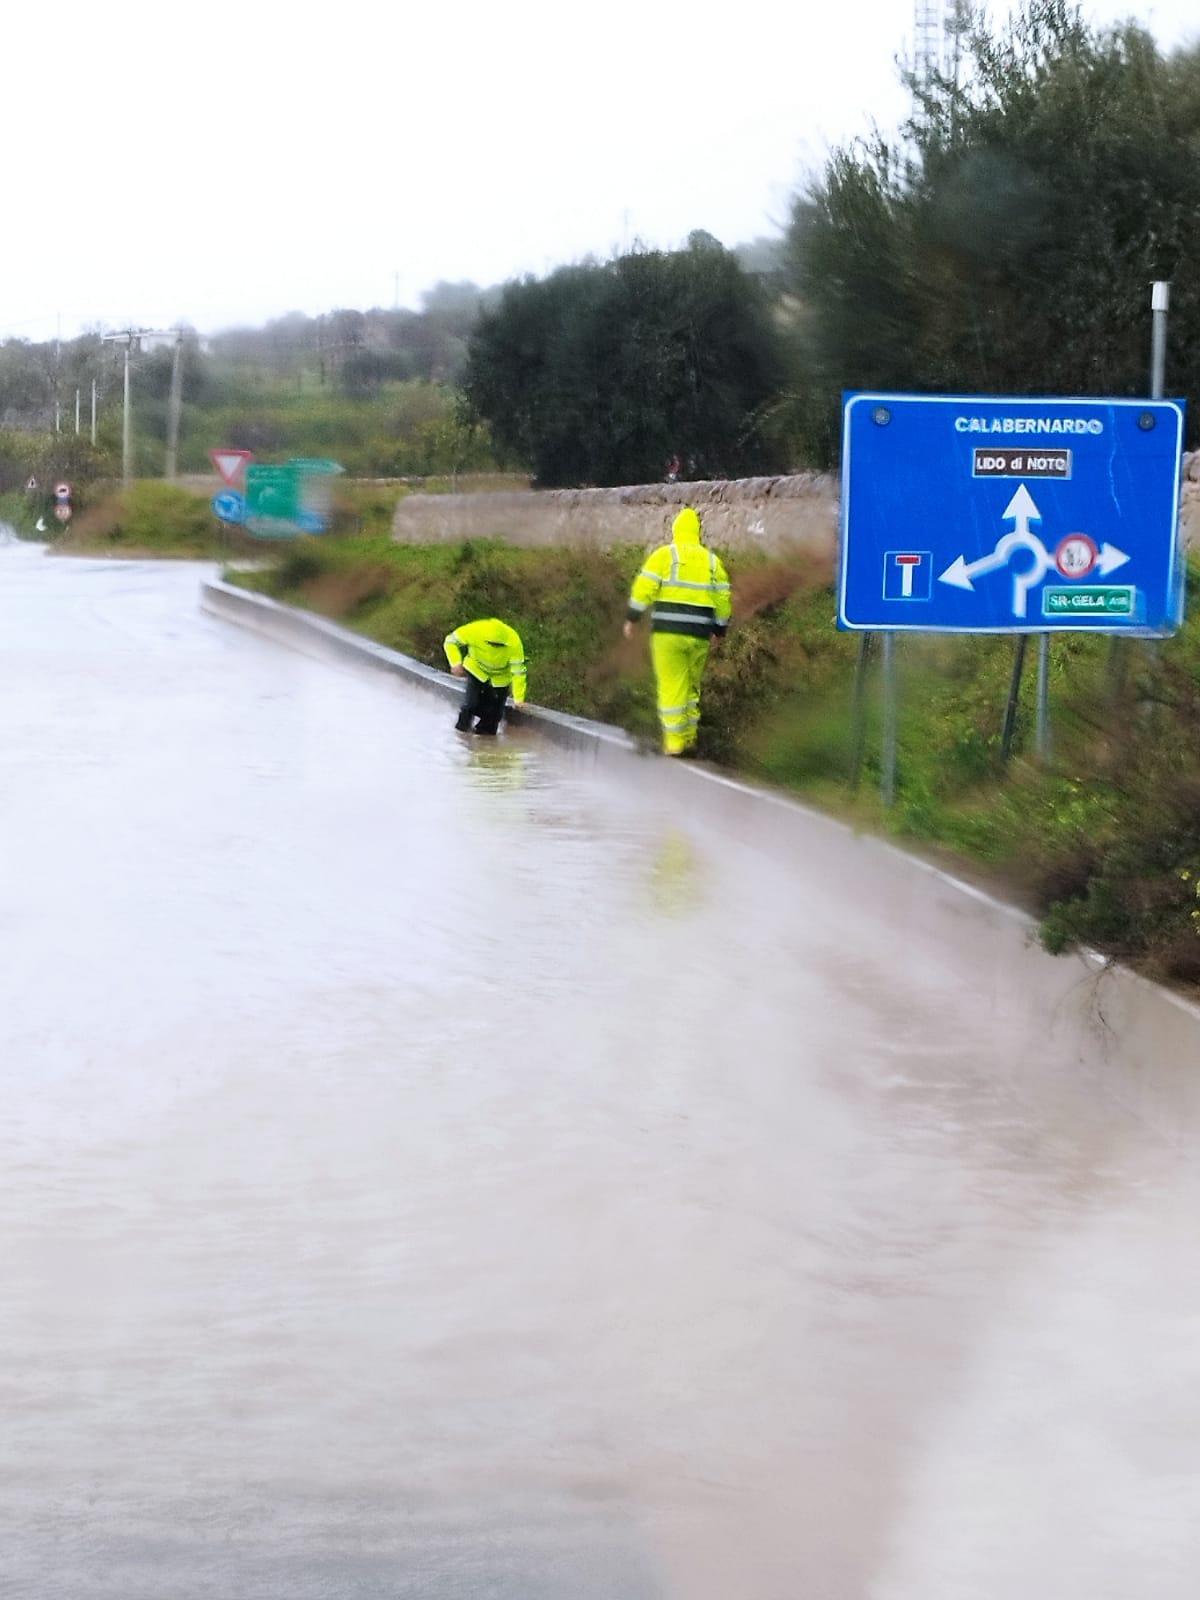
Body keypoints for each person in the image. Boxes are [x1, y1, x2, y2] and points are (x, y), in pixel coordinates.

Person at [623, 505, 731, 757]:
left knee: (672, 686)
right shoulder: (713, 562)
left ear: (675, 530)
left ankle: (675, 745)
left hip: (668, 635)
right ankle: (690, 738)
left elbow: (643, 588)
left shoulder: (664, 556)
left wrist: (632, 618)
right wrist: (720, 630)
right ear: (698, 532)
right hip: (699, 635)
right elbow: (724, 600)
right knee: (692, 687)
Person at [443, 617, 527, 734]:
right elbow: (450, 641)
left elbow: (518, 671)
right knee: (470, 705)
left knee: (494, 716)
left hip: (500, 678)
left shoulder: (513, 641)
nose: (495, 647)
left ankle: (485, 738)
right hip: (476, 670)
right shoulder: (475, 630)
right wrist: (455, 662)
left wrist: (519, 698)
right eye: (492, 644)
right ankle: (461, 733)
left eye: (499, 646)